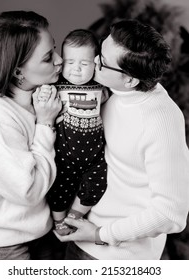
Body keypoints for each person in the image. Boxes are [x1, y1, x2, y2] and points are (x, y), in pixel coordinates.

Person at [54, 20, 189, 260]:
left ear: (130, 80)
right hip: (80, 234)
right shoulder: (109, 92)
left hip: (117, 256)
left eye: (102, 61)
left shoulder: (162, 121)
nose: (94, 61)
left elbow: (170, 214)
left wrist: (101, 234)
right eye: (100, 52)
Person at [0, 10, 63, 260]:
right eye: (48, 58)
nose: (60, 60)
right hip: (2, 247)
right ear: (18, 72)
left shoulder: (41, 100)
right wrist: (46, 125)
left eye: (55, 50)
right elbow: (28, 190)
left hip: (41, 236)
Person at [40, 29, 108, 235]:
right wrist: (43, 93)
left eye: (84, 64)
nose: (76, 70)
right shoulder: (55, 85)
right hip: (64, 154)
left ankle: (75, 216)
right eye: (70, 62)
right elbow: (41, 102)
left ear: (95, 63)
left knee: (98, 183)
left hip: (94, 155)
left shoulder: (101, 85)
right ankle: (59, 219)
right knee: (58, 188)